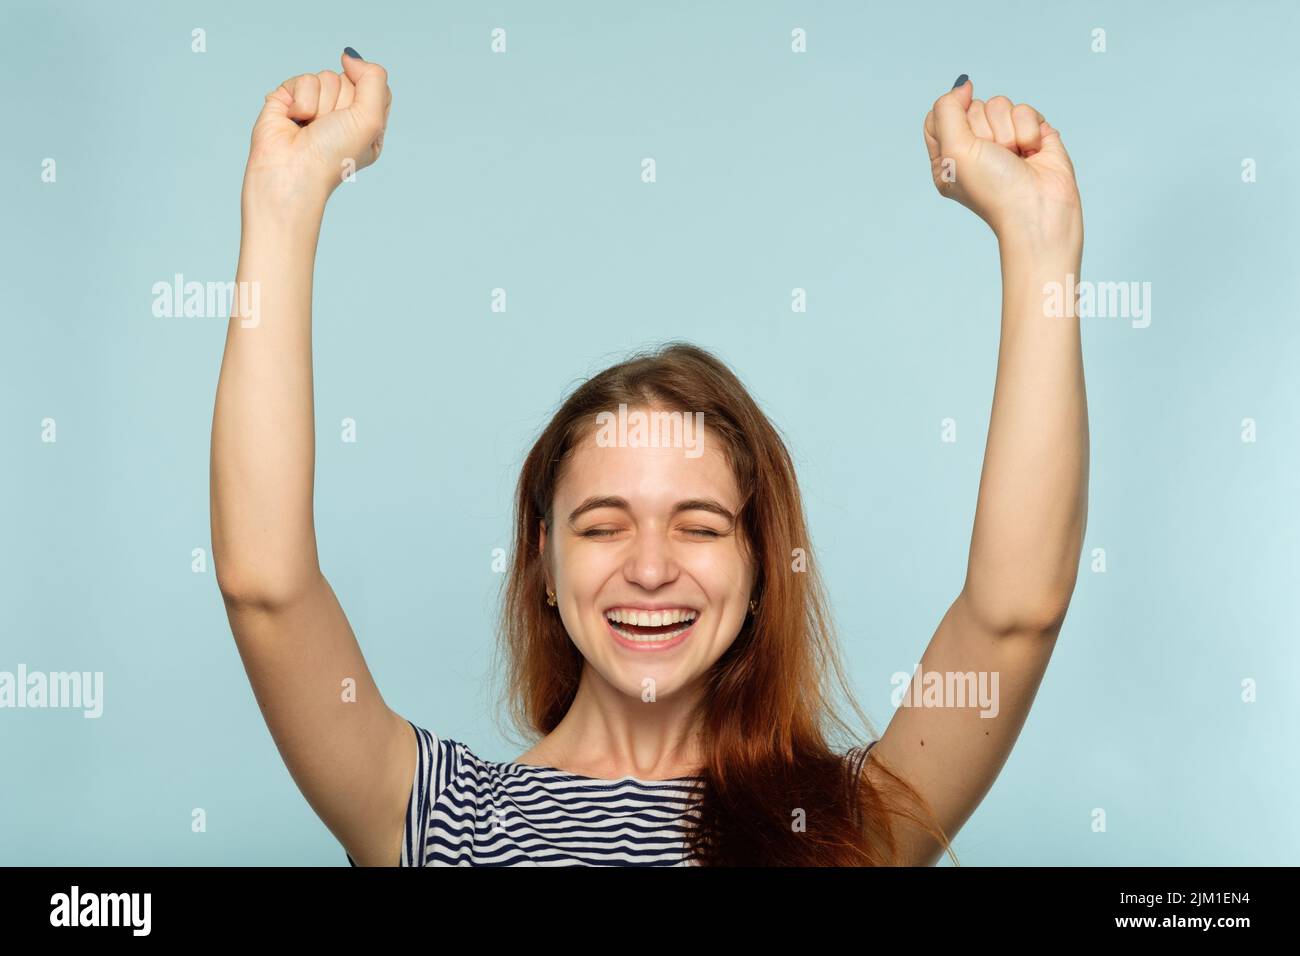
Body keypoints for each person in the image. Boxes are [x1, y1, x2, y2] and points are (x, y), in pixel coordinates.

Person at [211, 52, 1088, 866]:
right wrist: (285, 200)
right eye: (602, 526)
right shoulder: (440, 816)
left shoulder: (843, 822)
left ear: (759, 571)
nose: (652, 568)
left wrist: (1038, 236)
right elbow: (267, 587)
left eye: (700, 526)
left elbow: (1014, 614)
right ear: (543, 563)